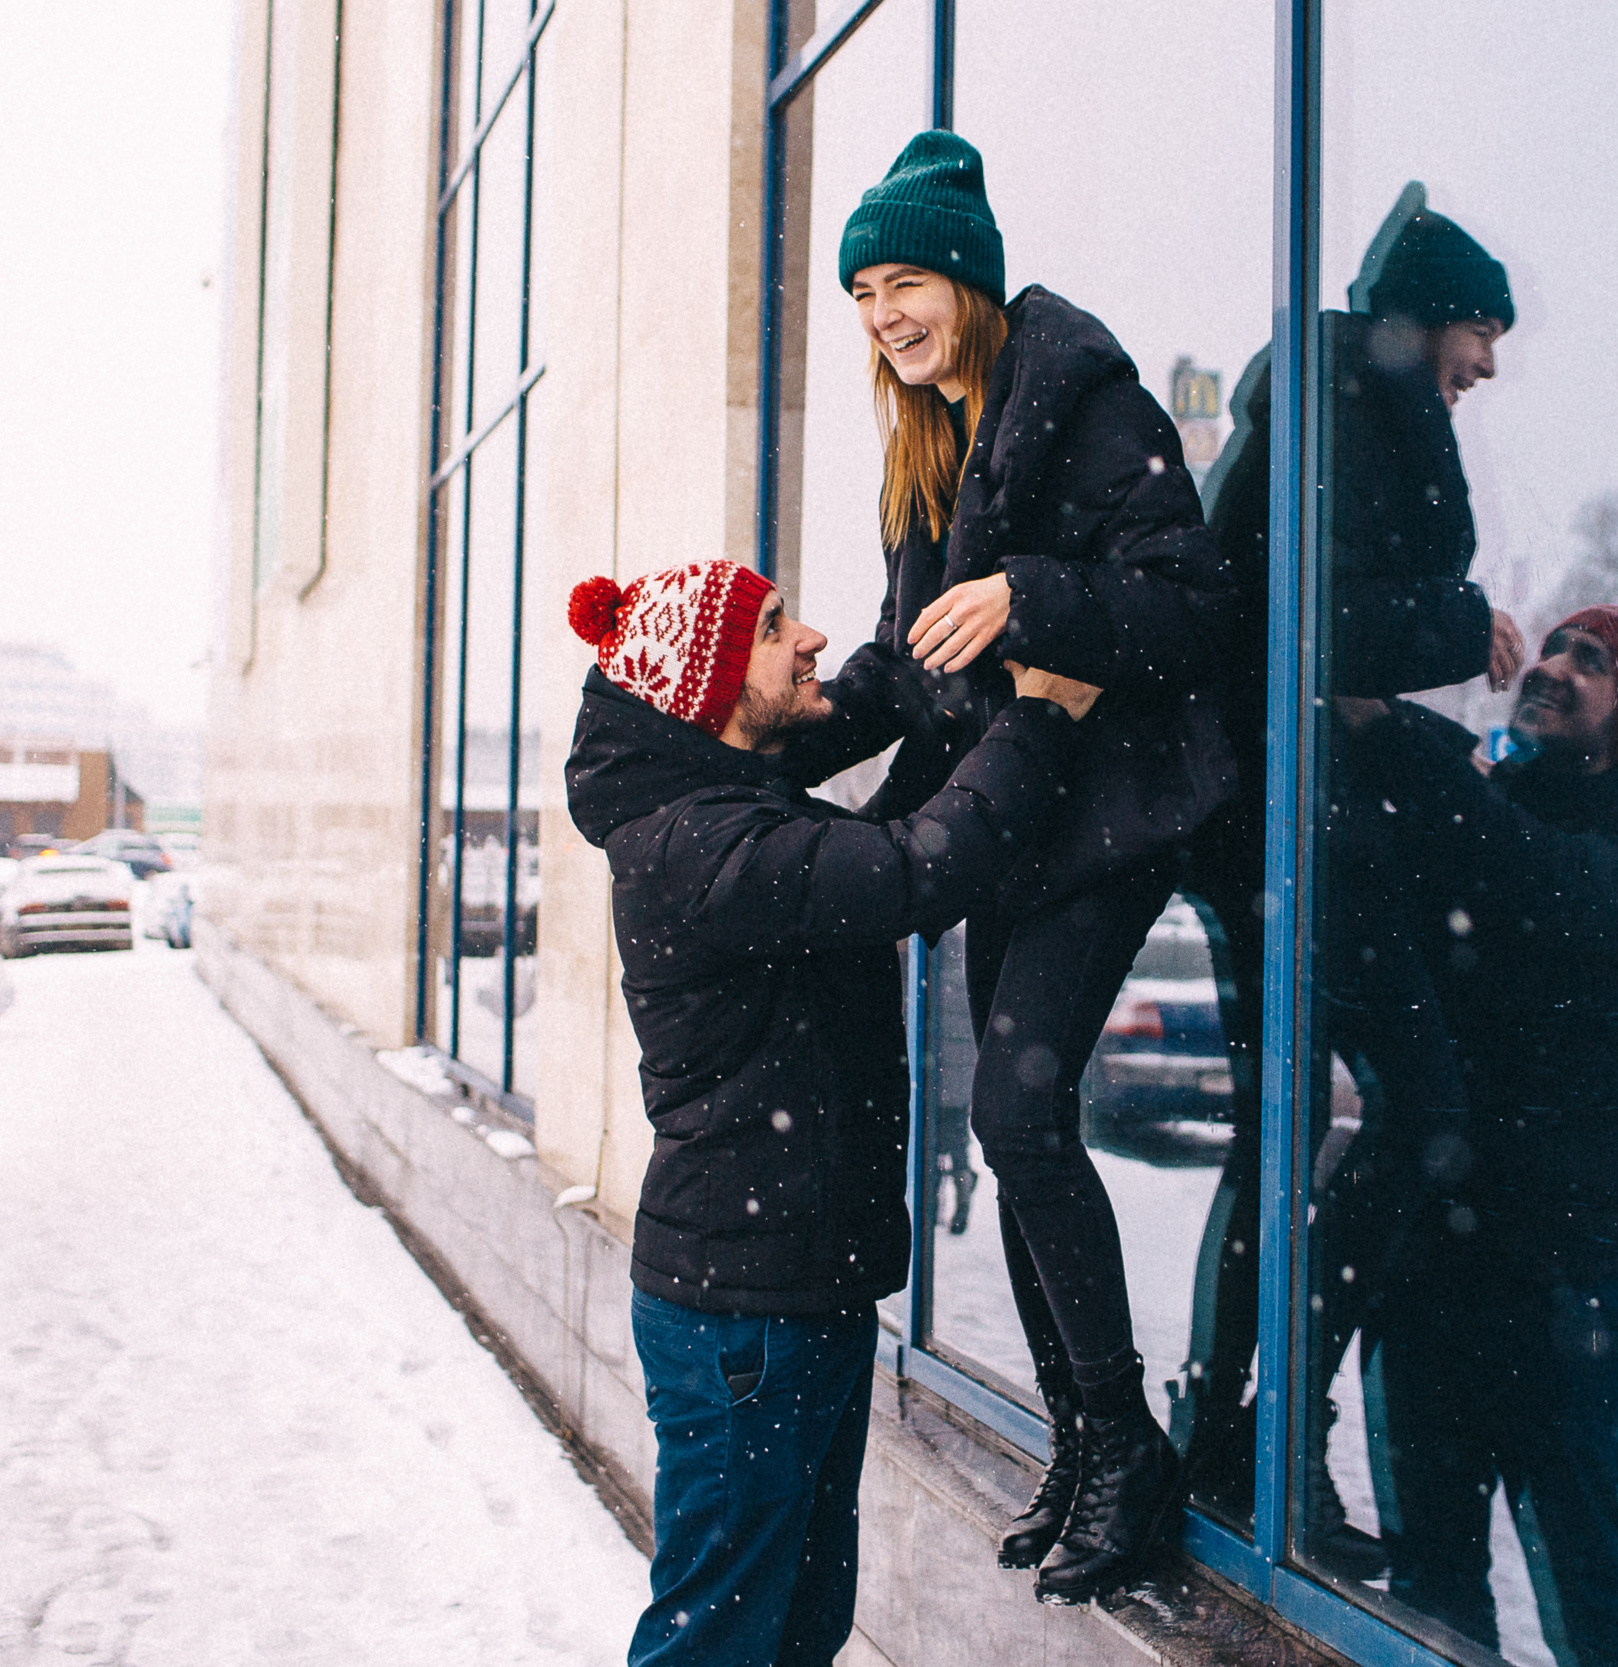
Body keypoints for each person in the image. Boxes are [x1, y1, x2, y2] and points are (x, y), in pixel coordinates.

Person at [778, 131, 1239, 1604]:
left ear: (966, 280)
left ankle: (1127, 1443)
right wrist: (781, 743)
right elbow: (909, 657)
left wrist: (1028, 595)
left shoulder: (1085, 403)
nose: (882, 317)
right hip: (1015, 813)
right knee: (1010, 1126)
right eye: (862, 295)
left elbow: (1193, 607)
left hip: (1115, 807)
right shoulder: (930, 441)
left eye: (902, 283)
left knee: (1019, 1108)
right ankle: (1085, 1438)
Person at [561, 558, 1101, 1666]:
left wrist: (936, 628)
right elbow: (911, 869)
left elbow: (856, 775)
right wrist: (1041, 712)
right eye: (772, 628)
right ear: (712, 690)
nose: (806, 635)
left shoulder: (716, 799)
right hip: (746, 1322)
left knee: (796, 1625)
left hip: (783, 1293)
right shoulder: (702, 845)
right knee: (720, 1637)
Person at [1168, 185, 1521, 1548]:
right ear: (1430, 317)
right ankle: (1263, 1435)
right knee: (1414, 1108)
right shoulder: (1348, 408)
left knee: (1285, 1128)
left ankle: (1232, 1436)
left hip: (1273, 813)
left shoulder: (1328, 401)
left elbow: (1303, 628)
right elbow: (1305, 620)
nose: (1487, 366)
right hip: (1287, 822)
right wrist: (1464, 624)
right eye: (1482, 335)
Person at [1337, 604, 1618, 1666]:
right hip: (1434, 1254)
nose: (1549, 668)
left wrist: (1386, 725)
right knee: (1430, 1579)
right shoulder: (1496, 793)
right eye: (1550, 647)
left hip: (1558, 1273)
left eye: (1589, 662)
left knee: (1577, 1567)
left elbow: (1533, 876)